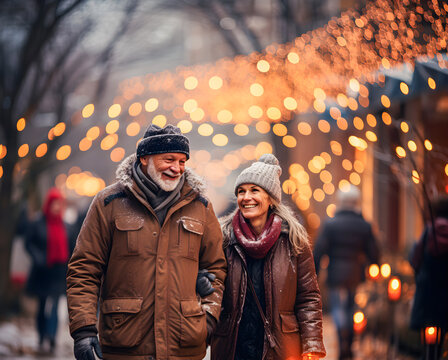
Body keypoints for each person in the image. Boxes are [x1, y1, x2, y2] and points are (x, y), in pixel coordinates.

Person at [66, 124, 227, 360]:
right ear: (144, 159)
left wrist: (208, 318)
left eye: (182, 161)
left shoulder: (200, 206)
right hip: (126, 344)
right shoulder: (109, 203)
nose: (177, 168)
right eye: (169, 159)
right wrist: (83, 329)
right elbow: (84, 269)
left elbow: (217, 267)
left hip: (184, 346)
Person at [211, 154, 326, 360]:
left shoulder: (293, 238)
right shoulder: (223, 238)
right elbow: (212, 289)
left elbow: (308, 297)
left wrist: (312, 343)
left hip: (279, 346)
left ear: (270, 198)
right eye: (241, 191)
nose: (246, 197)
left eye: (255, 190)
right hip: (233, 345)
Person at [313, 185, 379, 360]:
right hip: (355, 272)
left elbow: (319, 250)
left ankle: (341, 333)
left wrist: (315, 272)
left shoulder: (330, 224)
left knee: (337, 308)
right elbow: (374, 252)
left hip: (335, 271)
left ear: (340, 202)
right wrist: (375, 264)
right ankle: (348, 342)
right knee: (351, 306)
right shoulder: (364, 225)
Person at [25, 187, 76, 353]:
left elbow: (73, 247)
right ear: (48, 204)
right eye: (53, 204)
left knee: (55, 306)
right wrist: (38, 258)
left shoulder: (66, 226)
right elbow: (29, 243)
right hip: (42, 272)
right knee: (42, 306)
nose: (56, 207)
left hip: (58, 272)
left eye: (58, 204)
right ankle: (41, 336)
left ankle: (52, 338)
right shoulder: (38, 223)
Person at [409, 196, 448, 360]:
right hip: (446, 292)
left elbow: (414, 260)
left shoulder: (428, 231)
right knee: (442, 331)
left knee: (428, 339)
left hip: (427, 292)